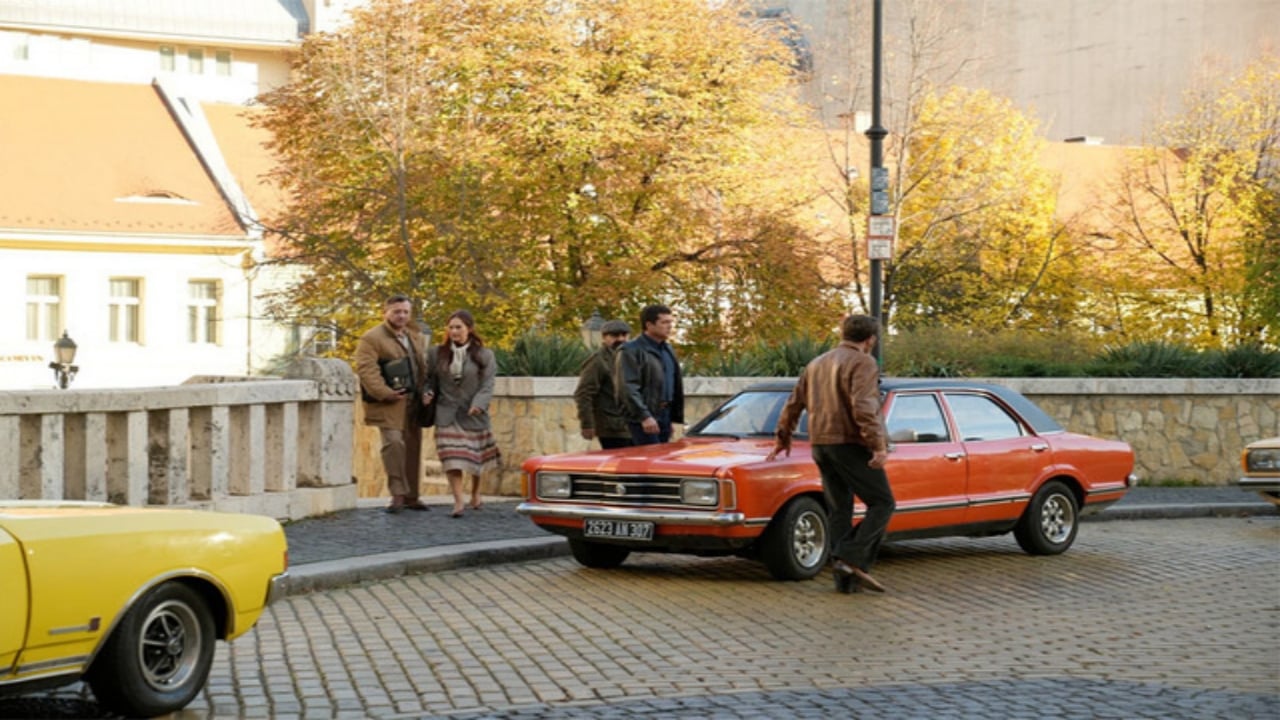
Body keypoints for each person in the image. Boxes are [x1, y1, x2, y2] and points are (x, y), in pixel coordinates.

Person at [767, 314, 896, 593]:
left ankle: (846, 581)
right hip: (849, 443)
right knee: (883, 503)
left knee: (840, 508)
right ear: (870, 339)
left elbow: (793, 403)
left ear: (843, 333)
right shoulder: (863, 362)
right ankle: (849, 556)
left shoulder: (816, 363)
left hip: (821, 444)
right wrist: (878, 446)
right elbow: (864, 407)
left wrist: (783, 437)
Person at [355, 294, 432, 514]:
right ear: (385, 312)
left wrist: (427, 391)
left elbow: (423, 368)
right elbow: (367, 370)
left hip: (413, 402)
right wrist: (386, 393)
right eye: (397, 311)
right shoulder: (371, 338)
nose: (402, 316)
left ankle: (412, 496)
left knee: (413, 447)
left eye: (406, 312)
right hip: (387, 404)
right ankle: (397, 493)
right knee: (394, 444)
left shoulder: (414, 335)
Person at [425, 309, 500, 518]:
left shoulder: (485, 355)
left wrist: (479, 404)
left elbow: (488, 384)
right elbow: (428, 379)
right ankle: (458, 501)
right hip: (446, 413)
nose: (454, 331)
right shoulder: (436, 353)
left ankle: (476, 492)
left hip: (473, 413)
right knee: (451, 457)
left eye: (458, 327)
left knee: (476, 459)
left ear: (469, 329)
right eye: (451, 327)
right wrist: (427, 392)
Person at [615, 304, 684, 445]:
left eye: (671, 322)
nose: (669, 326)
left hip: (664, 415)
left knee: (662, 461)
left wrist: (670, 418)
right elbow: (627, 387)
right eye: (664, 322)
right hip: (643, 417)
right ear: (649, 325)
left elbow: (673, 383)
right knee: (649, 461)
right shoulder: (630, 350)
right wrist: (644, 417)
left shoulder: (667, 349)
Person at [573, 319, 633, 450]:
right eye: (615, 336)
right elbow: (584, 393)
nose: (621, 339)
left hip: (634, 425)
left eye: (624, 335)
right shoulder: (598, 361)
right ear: (604, 338)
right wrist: (587, 424)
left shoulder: (632, 358)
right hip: (612, 429)